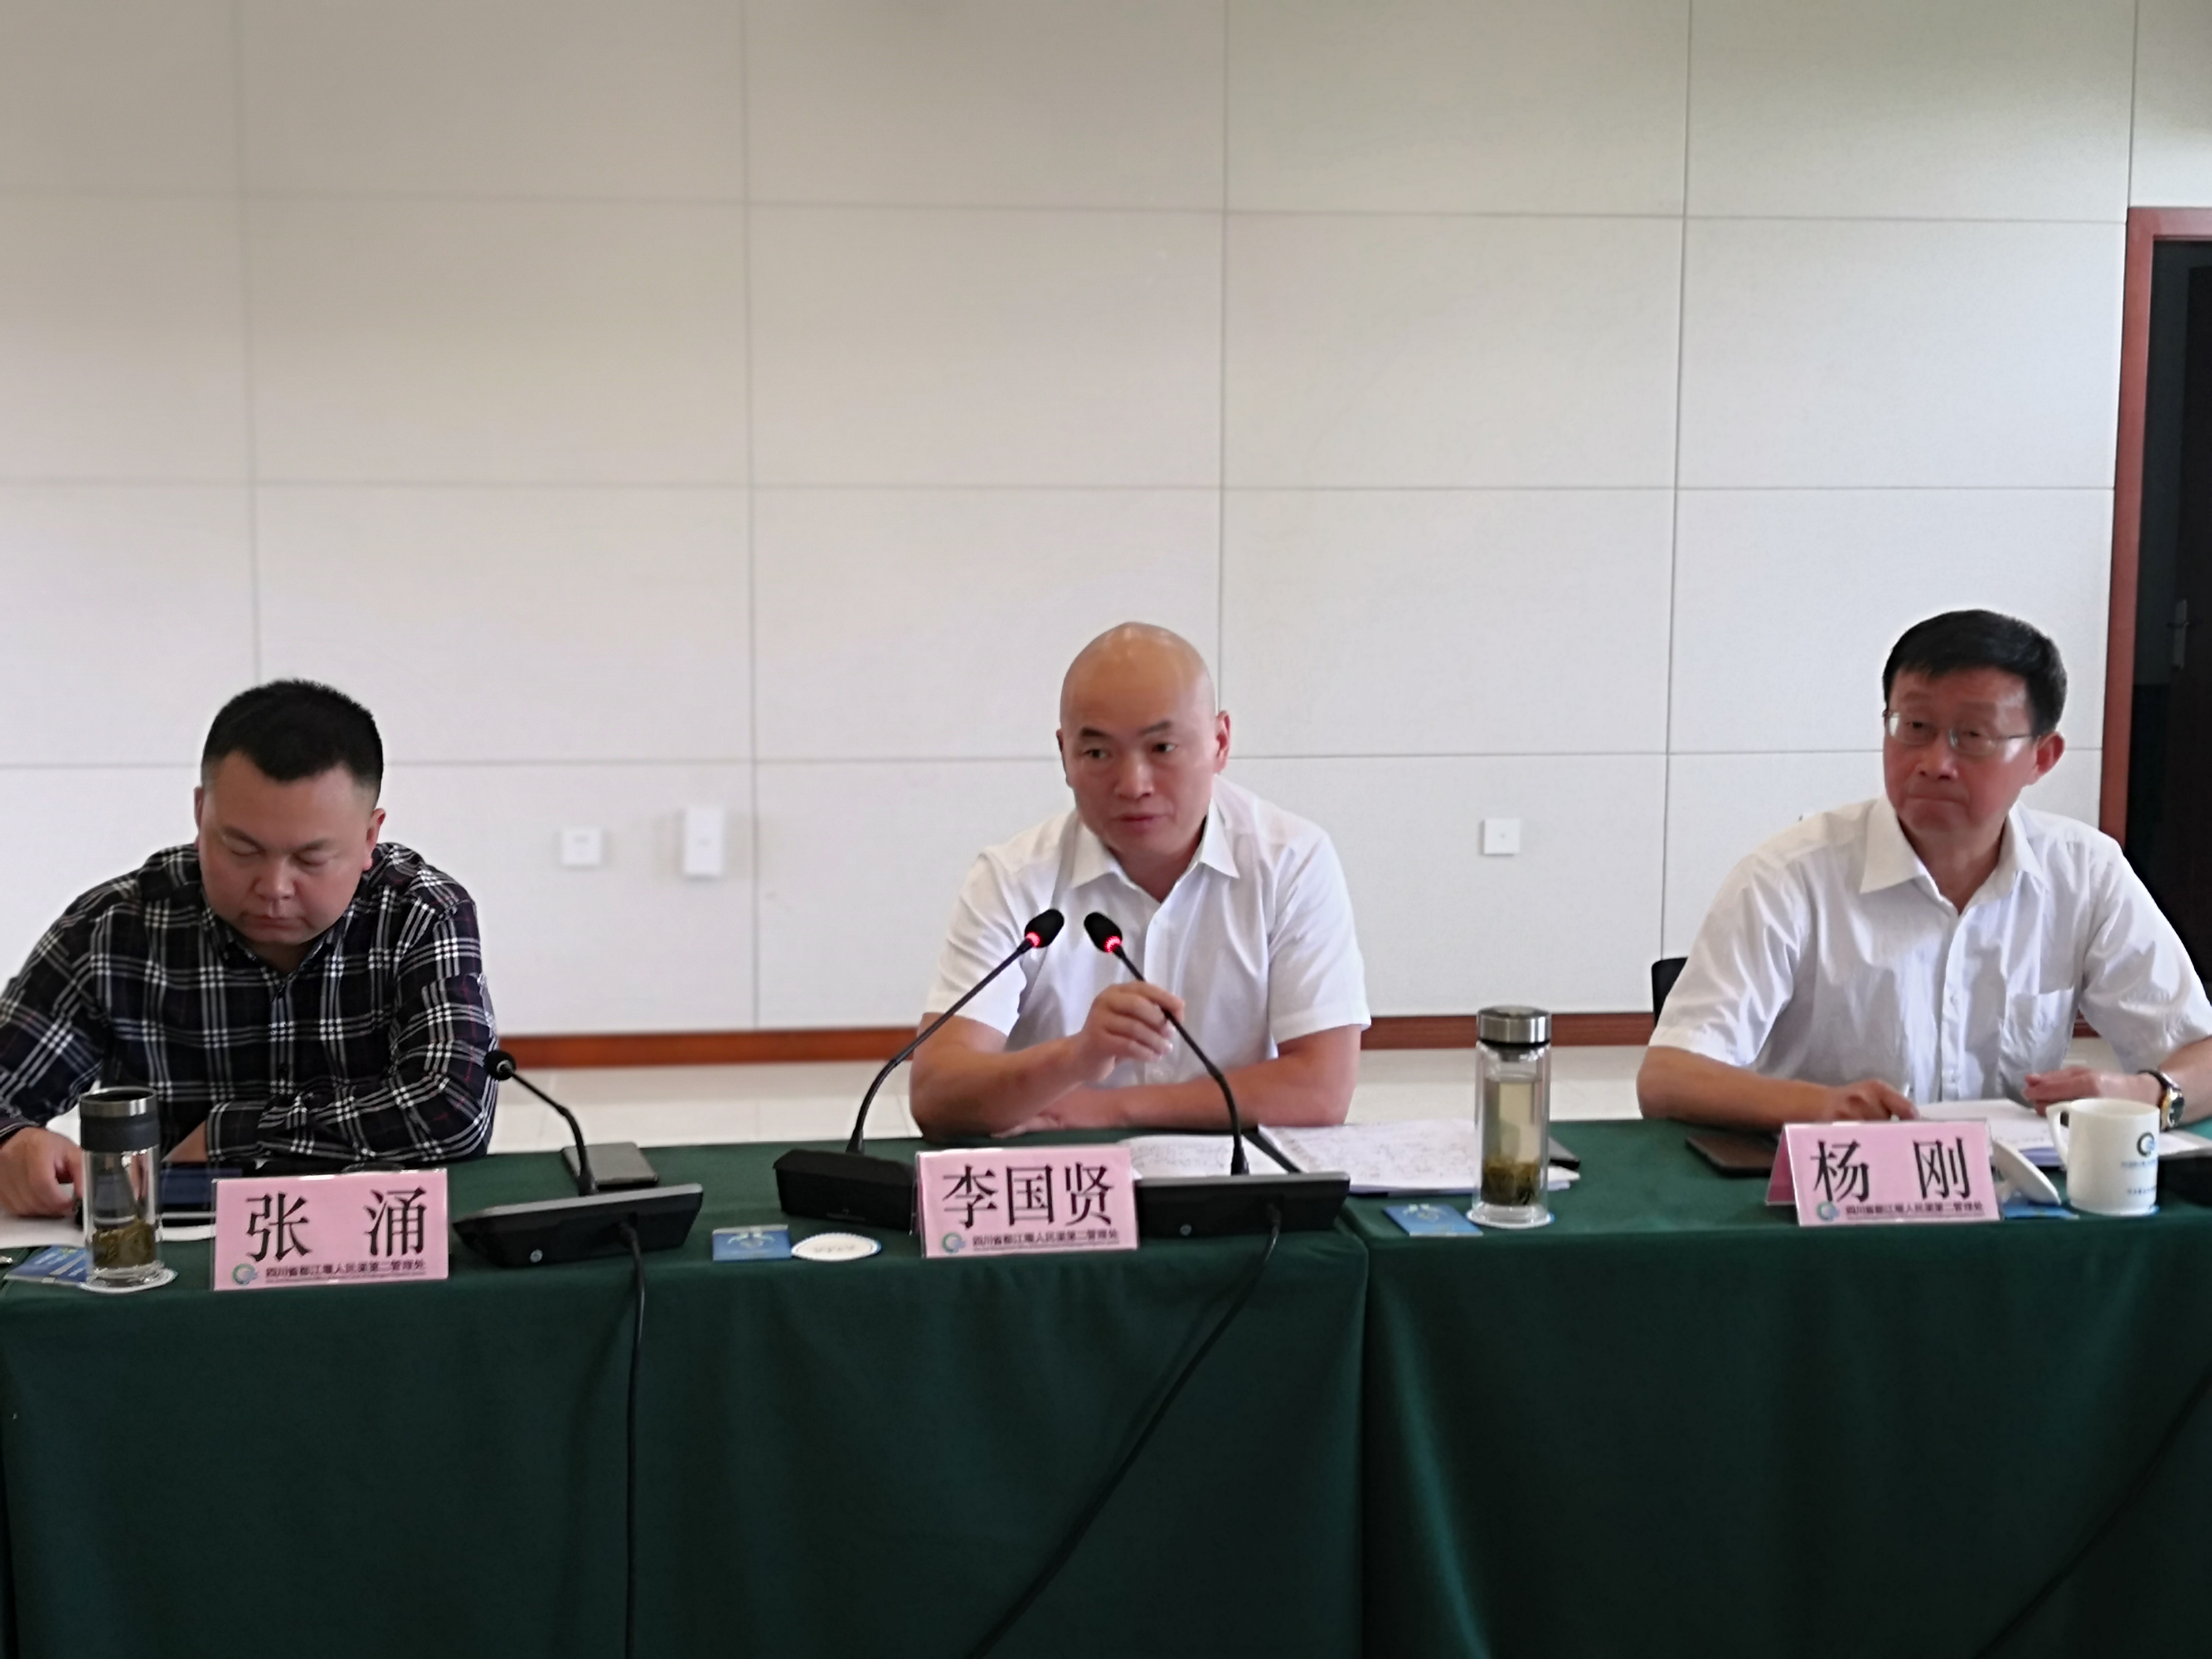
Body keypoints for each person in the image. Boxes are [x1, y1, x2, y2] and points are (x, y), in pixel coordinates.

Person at [1640, 609, 2212, 1132]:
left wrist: (2143, 1093)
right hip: (1832, 1191)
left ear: (2041, 757)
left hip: (2017, 1195)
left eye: (1972, 737)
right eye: (1914, 728)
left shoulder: (2085, 873)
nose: (1935, 763)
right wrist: (1820, 1107)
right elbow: (1668, 1077)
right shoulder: (1790, 877)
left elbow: (2200, 1053)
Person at [0, 681, 498, 1216]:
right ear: (201, 814)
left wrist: (231, 1136)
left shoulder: (420, 915)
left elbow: (454, 1108)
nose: (274, 888)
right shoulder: (113, 929)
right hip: (172, 1248)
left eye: (310, 859)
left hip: (368, 1239)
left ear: (369, 837)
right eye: (242, 850)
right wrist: (14, 1143)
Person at [909, 623, 1370, 1137]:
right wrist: (1076, 1057)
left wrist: (1110, 1109)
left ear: (1220, 742)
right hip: (1067, 1178)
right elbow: (936, 1092)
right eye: (1098, 754)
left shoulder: (1291, 861)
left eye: (1163, 748)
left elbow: (1321, 1088)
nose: (1133, 785)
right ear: (1065, 756)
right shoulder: (1014, 879)